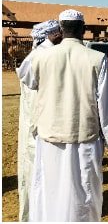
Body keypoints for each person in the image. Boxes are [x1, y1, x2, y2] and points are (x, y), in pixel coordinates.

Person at [27, 9, 108, 221]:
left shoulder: (41, 57)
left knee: (50, 189)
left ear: (61, 30)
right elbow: (106, 105)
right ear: (84, 29)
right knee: (84, 194)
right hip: (84, 140)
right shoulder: (97, 59)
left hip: (50, 137)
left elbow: (30, 82)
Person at [15, 19, 62, 222]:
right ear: (51, 36)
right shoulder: (40, 58)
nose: (61, 36)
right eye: (58, 34)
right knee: (36, 174)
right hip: (37, 131)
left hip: (37, 129)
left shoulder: (39, 56)